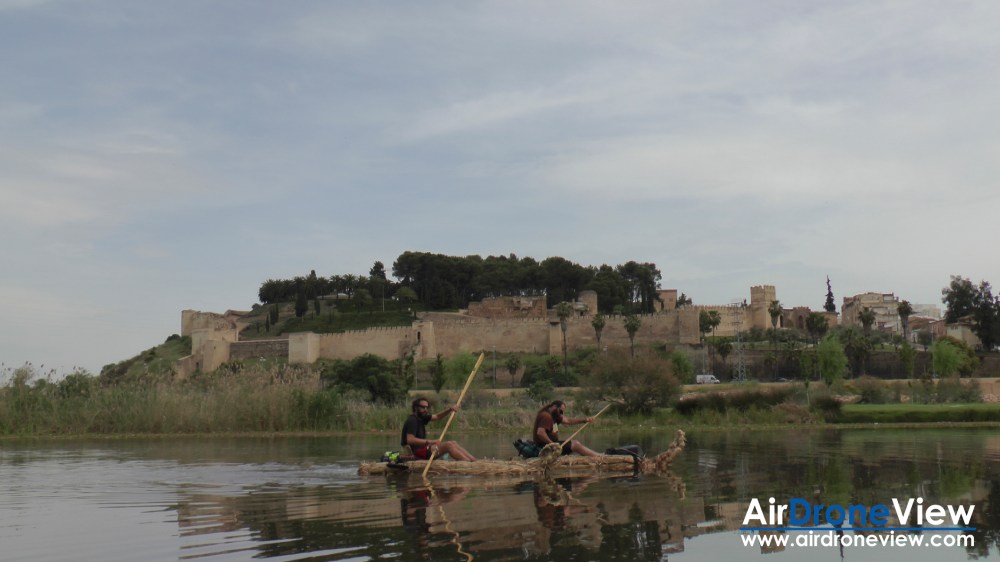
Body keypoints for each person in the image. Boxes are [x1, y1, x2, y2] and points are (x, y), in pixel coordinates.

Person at [401, 397, 477, 462]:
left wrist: (450, 410)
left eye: (427, 407)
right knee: (448, 445)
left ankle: (473, 460)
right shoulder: (412, 420)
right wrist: (431, 441)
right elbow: (410, 440)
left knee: (452, 442)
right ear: (416, 408)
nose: (425, 410)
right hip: (417, 453)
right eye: (423, 407)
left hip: (424, 449)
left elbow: (437, 417)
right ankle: (466, 463)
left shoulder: (422, 417)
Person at [533, 400, 600, 457]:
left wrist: (585, 420)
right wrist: (552, 444)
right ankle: (599, 457)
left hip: (553, 445)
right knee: (576, 444)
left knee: (575, 444)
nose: (561, 414)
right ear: (554, 407)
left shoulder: (555, 416)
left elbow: (568, 421)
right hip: (545, 447)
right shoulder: (546, 416)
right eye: (560, 411)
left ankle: (597, 455)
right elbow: (540, 433)